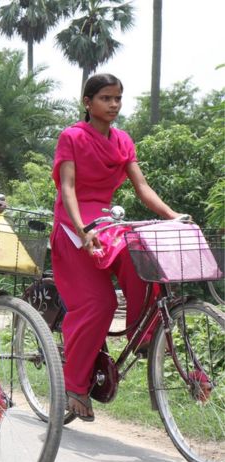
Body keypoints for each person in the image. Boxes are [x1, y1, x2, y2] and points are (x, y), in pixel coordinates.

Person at [50, 73, 181, 421]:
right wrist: (81, 228)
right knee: (99, 303)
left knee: (141, 260)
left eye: (117, 98)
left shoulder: (123, 141)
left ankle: (144, 336)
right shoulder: (72, 137)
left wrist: (172, 215)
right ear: (87, 103)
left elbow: (142, 187)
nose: (113, 105)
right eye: (105, 98)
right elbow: (68, 188)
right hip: (74, 225)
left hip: (107, 222)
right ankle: (75, 384)